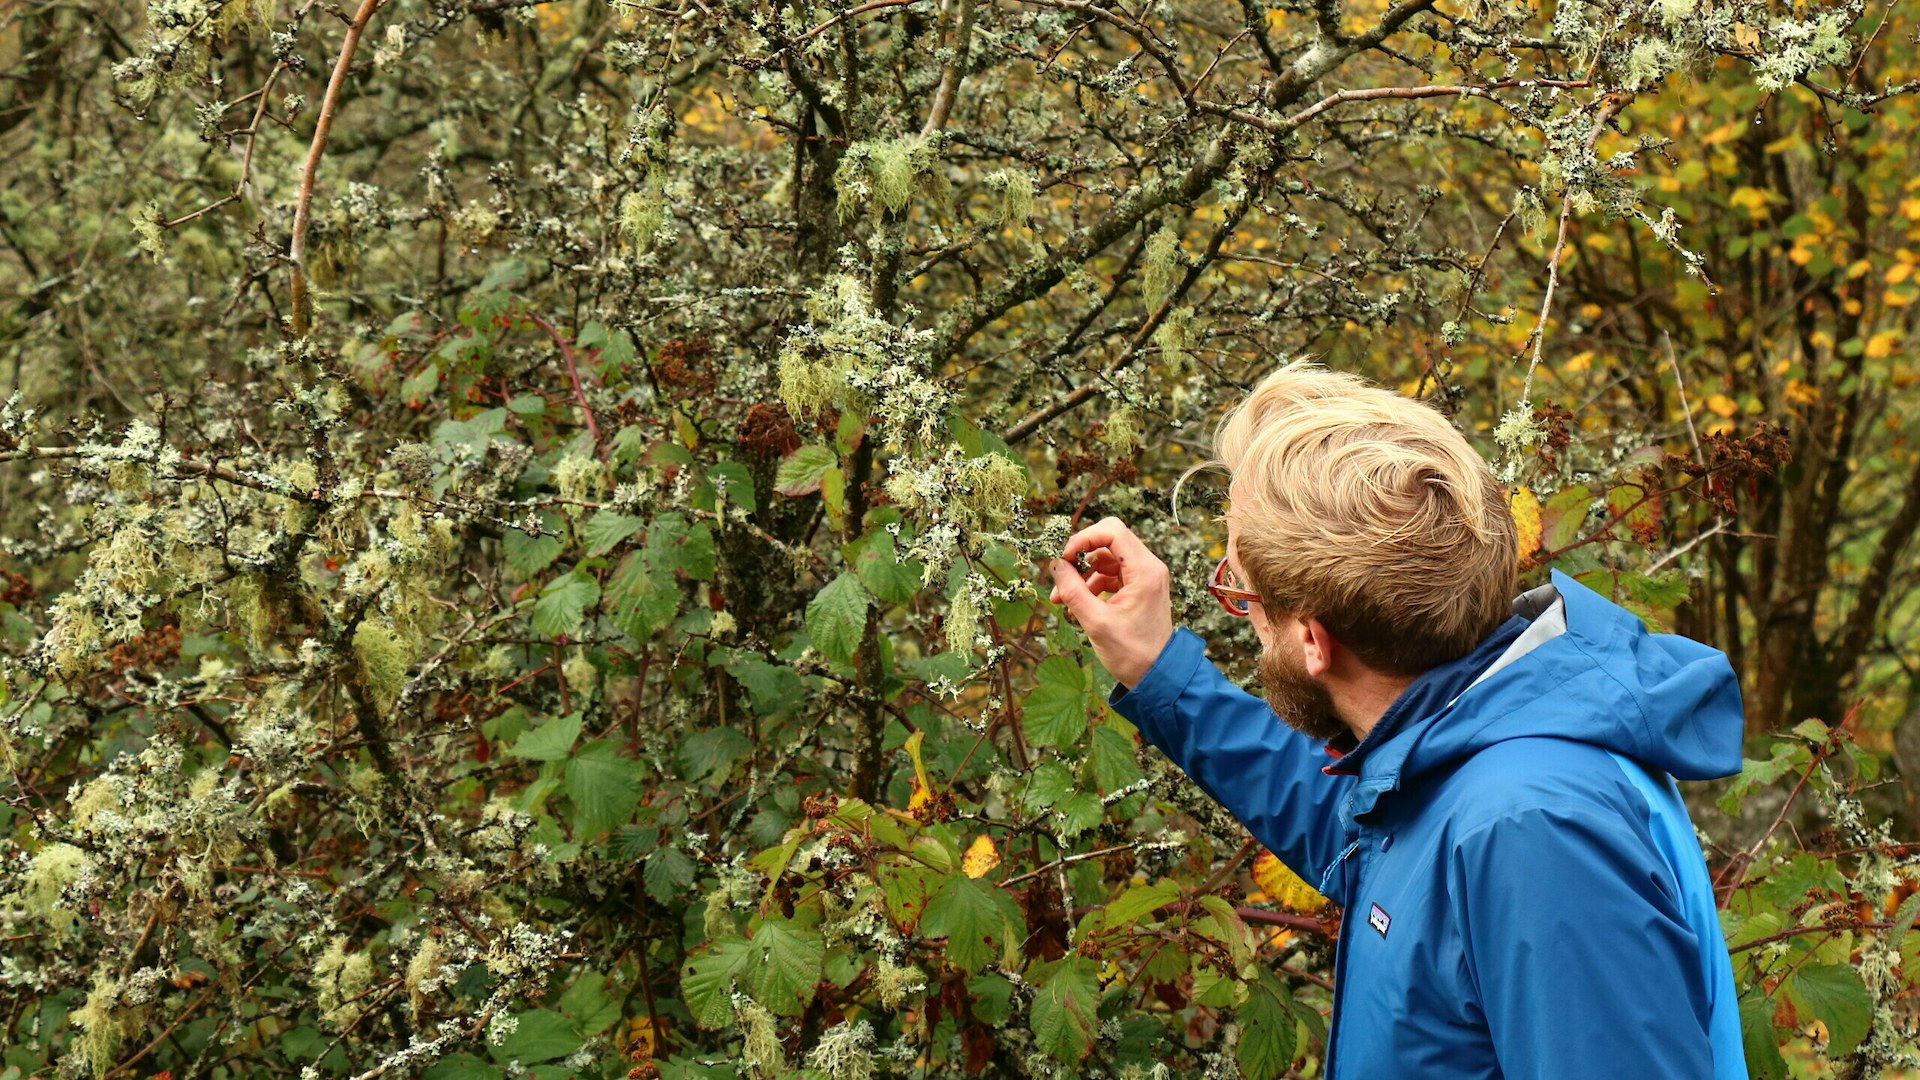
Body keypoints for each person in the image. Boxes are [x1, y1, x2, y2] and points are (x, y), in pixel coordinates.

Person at [1046, 363, 1747, 1080]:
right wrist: (1160, 668)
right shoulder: (1467, 750)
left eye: (1238, 591)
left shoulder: (1531, 831)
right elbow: (1362, 832)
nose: (1244, 611)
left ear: (1314, 641)